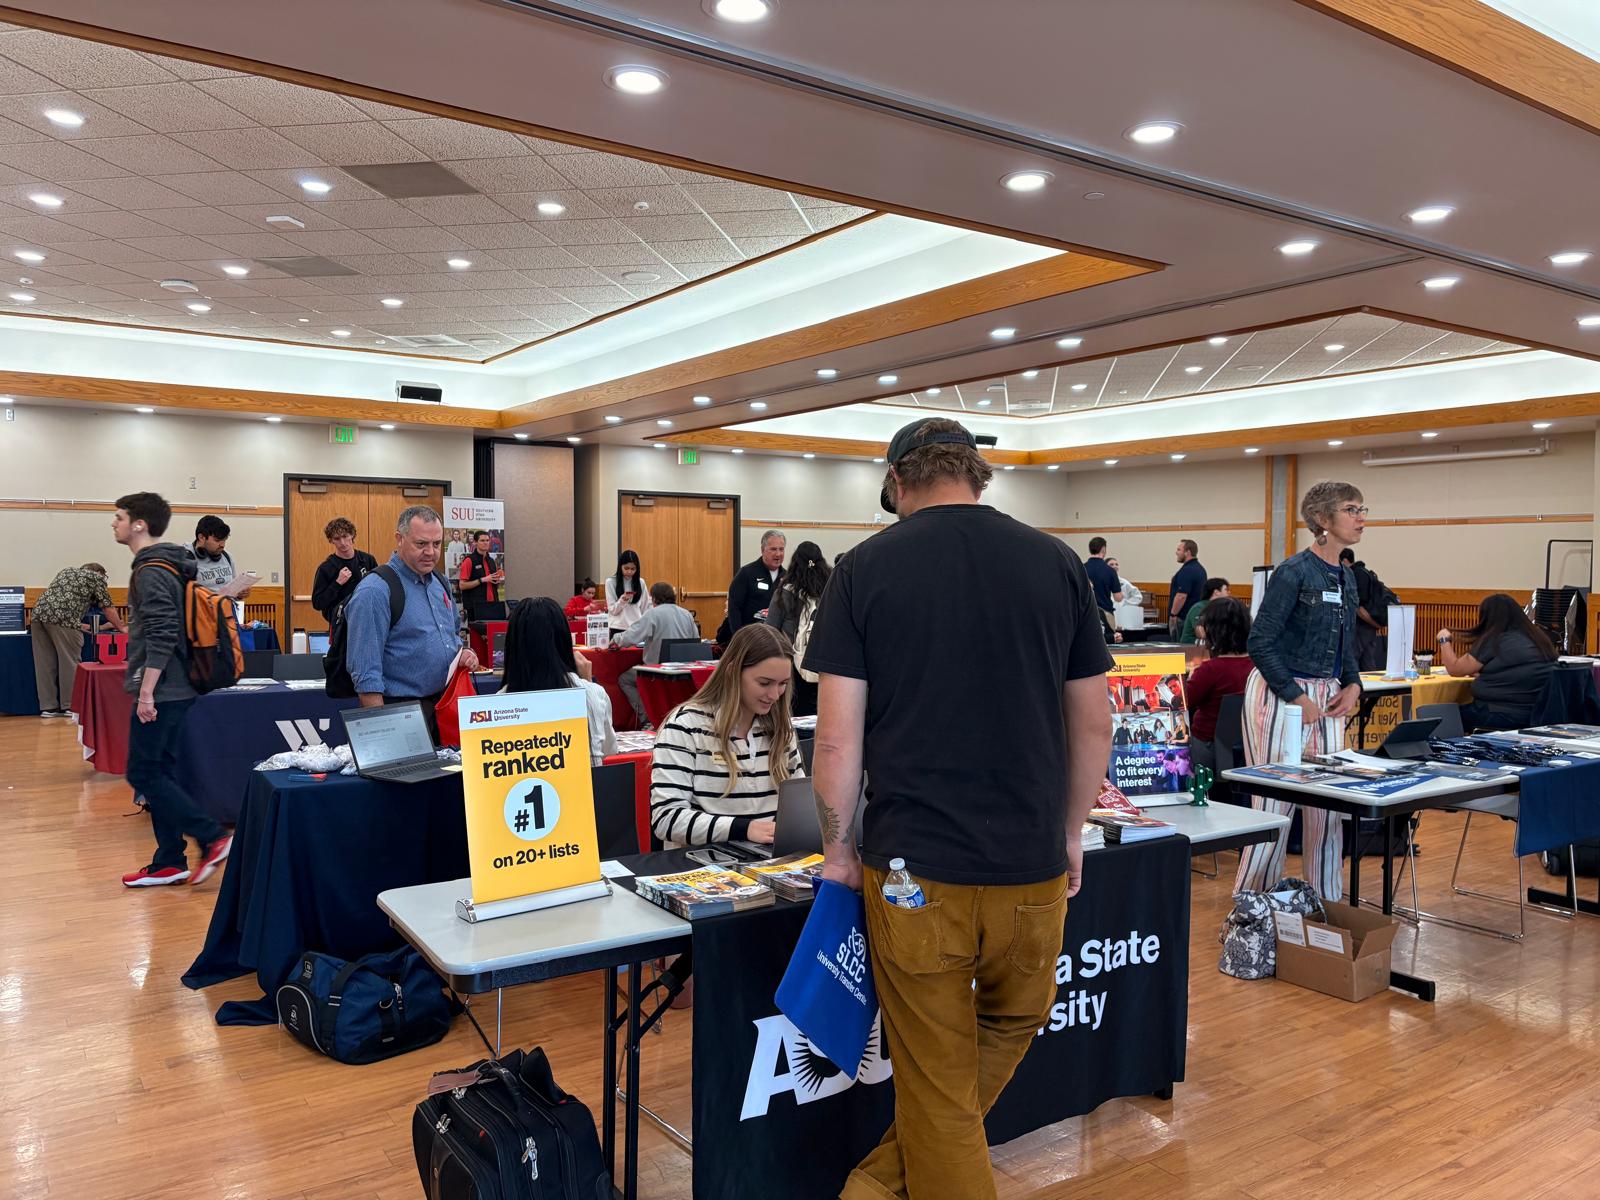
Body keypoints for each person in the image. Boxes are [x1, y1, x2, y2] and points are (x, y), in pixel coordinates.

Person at [803, 416, 1112, 1200]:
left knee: (937, 1092)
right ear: (977, 474)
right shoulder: (1056, 562)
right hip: (1033, 868)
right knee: (1010, 1025)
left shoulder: (864, 568)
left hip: (913, 875)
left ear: (898, 482)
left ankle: (874, 1185)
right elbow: (1093, 722)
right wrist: (1071, 832)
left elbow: (837, 743)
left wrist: (839, 855)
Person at [1233, 482, 1365, 902]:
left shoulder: (1348, 577)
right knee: (1274, 808)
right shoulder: (1293, 572)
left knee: (1327, 811)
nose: (1361, 517)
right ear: (1324, 520)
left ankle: (1324, 907)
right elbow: (1260, 642)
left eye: (1362, 509)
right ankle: (1251, 909)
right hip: (1280, 695)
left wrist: (1354, 684)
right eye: (1351, 509)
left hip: (1327, 697)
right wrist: (1295, 695)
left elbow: (1347, 644)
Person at [112, 493, 233, 888]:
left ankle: (212, 837)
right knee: (159, 771)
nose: (114, 524)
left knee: (142, 772)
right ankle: (169, 860)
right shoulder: (172, 565)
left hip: (164, 689)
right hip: (176, 686)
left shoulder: (151, 570)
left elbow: (163, 634)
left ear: (139, 524)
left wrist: (146, 693)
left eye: (119, 517)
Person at [649, 622, 804, 848]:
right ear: (732, 671)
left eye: (783, 684)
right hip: (704, 866)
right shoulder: (684, 726)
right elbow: (666, 819)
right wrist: (744, 829)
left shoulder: (781, 728)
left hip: (769, 862)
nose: (774, 695)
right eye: (764, 683)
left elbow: (799, 808)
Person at [344, 505, 478, 722]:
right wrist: (383, 729)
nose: (431, 552)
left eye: (436, 544)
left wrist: (460, 653)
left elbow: (452, 634)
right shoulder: (375, 591)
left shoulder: (440, 582)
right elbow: (366, 674)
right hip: (400, 711)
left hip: (444, 706)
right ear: (399, 539)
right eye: (421, 544)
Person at [501, 597, 618, 764]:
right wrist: (587, 682)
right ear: (564, 640)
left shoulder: (500, 702)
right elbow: (608, 749)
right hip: (588, 788)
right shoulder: (593, 693)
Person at [1438, 594, 1557, 730]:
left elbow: (1455, 669)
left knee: (1436, 716)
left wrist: (1444, 640)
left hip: (1497, 714)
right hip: (1535, 715)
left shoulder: (1495, 640)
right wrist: (1489, 675)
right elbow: (1519, 674)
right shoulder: (1540, 639)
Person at [30, 562, 125, 717]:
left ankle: (48, 707)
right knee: (69, 662)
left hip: (38, 614)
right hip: (63, 618)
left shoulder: (67, 571)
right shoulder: (96, 578)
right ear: (100, 573)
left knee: (45, 663)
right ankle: (70, 705)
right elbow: (108, 608)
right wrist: (121, 627)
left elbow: (61, 612)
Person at [613, 582, 700, 728]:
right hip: (685, 671)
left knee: (625, 680)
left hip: (658, 670)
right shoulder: (686, 614)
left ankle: (647, 719)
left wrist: (615, 640)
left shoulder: (653, 613)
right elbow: (696, 641)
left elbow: (630, 637)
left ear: (654, 599)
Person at [1185, 595, 1253, 772]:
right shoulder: (1259, 666)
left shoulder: (1210, 670)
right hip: (1249, 744)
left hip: (1209, 746)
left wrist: (1191, 677)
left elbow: (1186, 702)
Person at [764, 540, 831, 718]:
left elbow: (770, 630)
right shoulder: (831, 588)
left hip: (792, 665)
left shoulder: (786, 591)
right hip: (826, 662)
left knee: (795, 716)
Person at [310, 517, 378, 624]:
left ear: (352, 535)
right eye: (337, 539)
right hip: (340, 625)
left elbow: (378, 590)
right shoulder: (326, 568)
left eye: (345, 536)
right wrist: (337, 584)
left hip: (365, 619)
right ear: (331, 540)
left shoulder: (368, 560)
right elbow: (317, 603)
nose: (342, 542)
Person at [727, 530, 786, 633]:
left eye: (781, 549)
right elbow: (734, 608)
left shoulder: (787, 577)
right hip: (750, 637)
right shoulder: (746, 573)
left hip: (776, 639)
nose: (778, 554)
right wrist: (739, 636)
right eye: (773, 549)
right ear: (762, 550)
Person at [1341, 547, 1390, 671]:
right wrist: (1375, 624)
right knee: (1368, 661)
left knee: (1354, 659)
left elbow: (1357, 604)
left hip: (1361, 626)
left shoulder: (1354, 575)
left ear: (1345, 561)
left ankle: (1355, 688)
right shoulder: (1365, 572)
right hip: (1370, 624)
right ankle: (1371, 689)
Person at [188, 515, 256, 597]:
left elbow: (235, 590)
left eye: (224, 540)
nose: (222, 545)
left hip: (227, 607)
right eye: (217, 540)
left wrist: (240, 594)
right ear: (201, 537)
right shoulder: (187, 560)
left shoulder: (227, 557)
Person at [457, 529, 506, 622]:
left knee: (493, 635)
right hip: (476, 607)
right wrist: (482, 580)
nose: (485, 543)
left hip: (493, 605)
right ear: (475, 542)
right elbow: (462, 585)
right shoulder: (469, 561)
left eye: (487, 540)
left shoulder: (491, 561)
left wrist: (497, 581)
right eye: (482, 540)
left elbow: (492, 583)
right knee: (477, 636)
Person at [605, 550, 650, 635]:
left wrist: (644, 625)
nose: (629, 572)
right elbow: (613, 610)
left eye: (633, 569)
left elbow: (645, 608)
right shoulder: (610, 582)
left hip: (636, 627)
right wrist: (622, 600)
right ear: (620, 566)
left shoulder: (641, 582)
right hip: (617, 627)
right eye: (626, 568)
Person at [1168, 538, 1205, 637]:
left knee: (1178, 648)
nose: (1176, 552)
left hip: (1182, 618)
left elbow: (1181, 596)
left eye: (1179, 550)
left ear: (1187, 552)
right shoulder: (1200, 569)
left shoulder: (1187, 570)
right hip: (1193, 617)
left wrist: (1173, 615)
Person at [1083, 536, 1122, 630]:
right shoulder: (1110, 571)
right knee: (1109, 642)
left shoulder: (1081, 568)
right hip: (1106, 613)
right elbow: (1118, 598)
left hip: (1086, 614)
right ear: (1103, 549)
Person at [1180, 577, 1230, 645]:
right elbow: (1201, 634)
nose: (1229, 593)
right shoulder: (1199, 608)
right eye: (1226, 590)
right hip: (1191, 648)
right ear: (1216, 592)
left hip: (1209, 646)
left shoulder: (1220, 608)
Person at [1107, 557, 1145, 633]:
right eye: (1111, 564)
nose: (1115, 566)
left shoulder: (1124, 582)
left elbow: (1138, 597)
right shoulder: (1102, 581)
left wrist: (1125, 603)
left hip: (1122, 617)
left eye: (1116, 564)